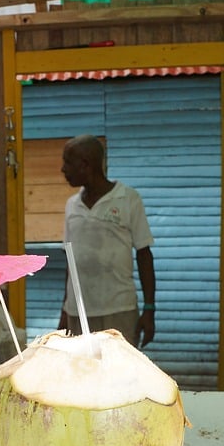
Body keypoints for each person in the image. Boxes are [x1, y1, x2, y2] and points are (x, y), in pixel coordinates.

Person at [58, 134, 156, 347]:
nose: (63, 169)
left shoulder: (128, 199)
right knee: (81, 376)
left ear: (86, 165)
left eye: (68, 162)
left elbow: (144, 254)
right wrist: (65, 310)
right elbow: (71, 263)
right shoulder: (71, 206)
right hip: (79, 313)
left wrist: (149, 309)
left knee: (119, 377)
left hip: (118, 311)